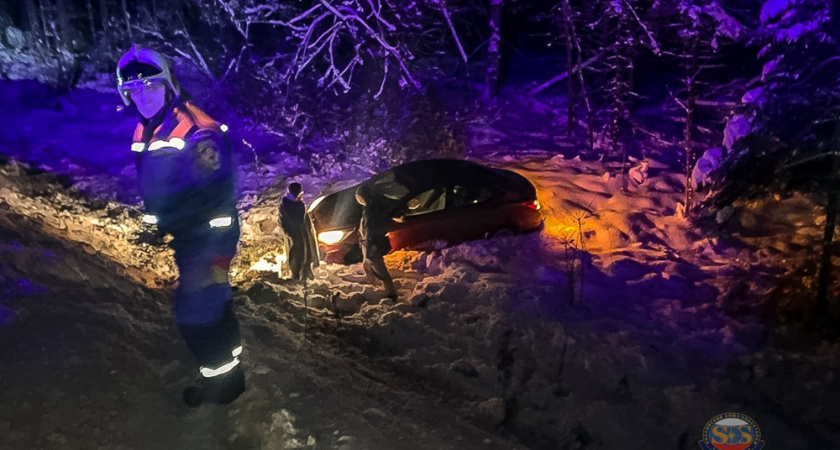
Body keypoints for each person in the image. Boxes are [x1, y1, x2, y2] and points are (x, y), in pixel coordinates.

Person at [116, 45, 245, 406]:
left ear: (169, 85)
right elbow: (157, 188)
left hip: (206, 237)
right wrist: (156, 224)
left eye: (150, 86)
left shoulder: (196, 130)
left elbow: (219, 193)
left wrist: (213, 250)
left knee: (197, 313)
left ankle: (222, 386)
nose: (143, 95)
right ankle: (230, 372)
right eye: (134, 90)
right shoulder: (146, 129)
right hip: (188, 234)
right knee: (214, 307)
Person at [355, 184, 397, 299]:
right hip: (368, 243)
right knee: (367, 265)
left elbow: (372, 229)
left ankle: (391, 292)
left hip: (372, 244)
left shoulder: (373, 210)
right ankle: (374, 287)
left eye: (358, 197)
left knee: (379, 268)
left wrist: (371, 244)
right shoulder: (368, 208)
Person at [279, 182, 317, 280]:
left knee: (307, 250)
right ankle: (295, 272)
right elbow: (285, 221)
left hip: (302, 231)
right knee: (297, 251)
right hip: (294, 233)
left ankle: (306, 270)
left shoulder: (298, 203)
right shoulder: (286, 205)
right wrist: (291, 232)